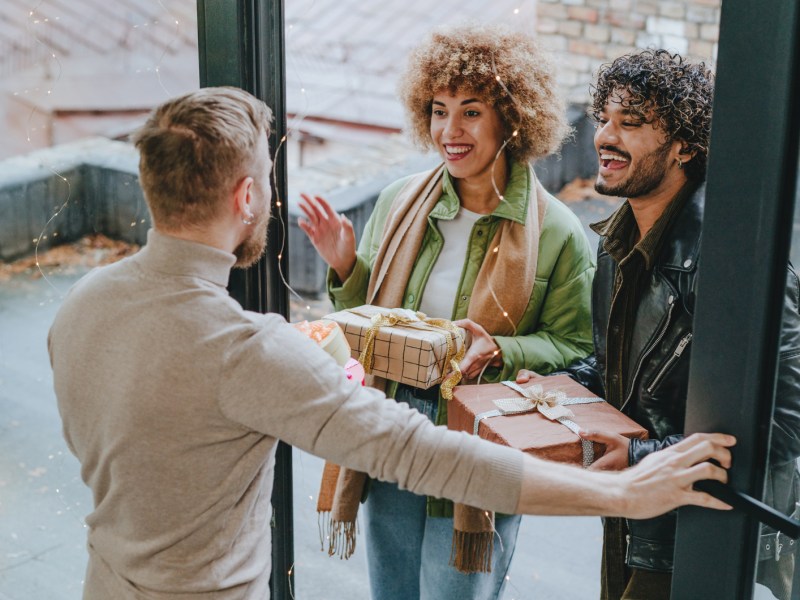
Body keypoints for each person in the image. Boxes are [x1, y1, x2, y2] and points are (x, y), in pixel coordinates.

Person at [47, 85, 735, 600]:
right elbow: (426, 455)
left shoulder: (81, 304)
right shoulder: (248, 352)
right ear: (248, 198)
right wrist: (624, 495)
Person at [300, 23, 590, 600]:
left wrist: (502, 350)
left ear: (512, 116)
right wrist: (346, 268)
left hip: (481, 441)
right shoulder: (400, 202)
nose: (449, 131)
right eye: (438, 110)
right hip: (394, 434)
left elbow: (576, 349)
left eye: (471, 112)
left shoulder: (557, 231)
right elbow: (372, 329)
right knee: (393, 592)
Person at [518, 49, 800, 600]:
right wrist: (558, 389)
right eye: (604, 117)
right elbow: (620, 367)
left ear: (685, 146)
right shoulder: (617, 238)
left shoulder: (734, 262)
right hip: (634, 517)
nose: (604, 135)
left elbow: (786, 424)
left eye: (632, 122)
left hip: (705, 539)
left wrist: (644, 457)